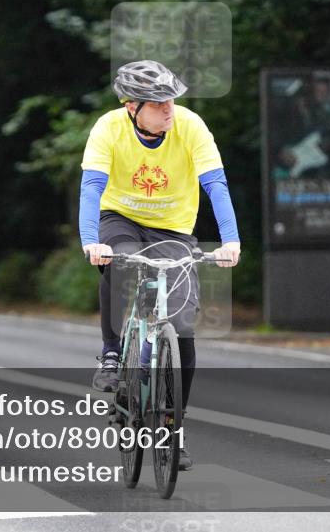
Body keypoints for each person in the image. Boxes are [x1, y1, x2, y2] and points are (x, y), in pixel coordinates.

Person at [80, 60, 241, 471]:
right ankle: (113, 354)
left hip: (173, 230)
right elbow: (93, 187)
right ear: (132, 106)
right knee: (118, 261)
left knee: (183, 330)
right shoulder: (108, 129)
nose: (169, 108)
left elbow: (215, 184)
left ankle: (171, 428)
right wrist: (90, 241)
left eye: (171, 99)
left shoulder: (190, 126)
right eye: (158, 103)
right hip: (121, 219)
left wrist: (231, 239)